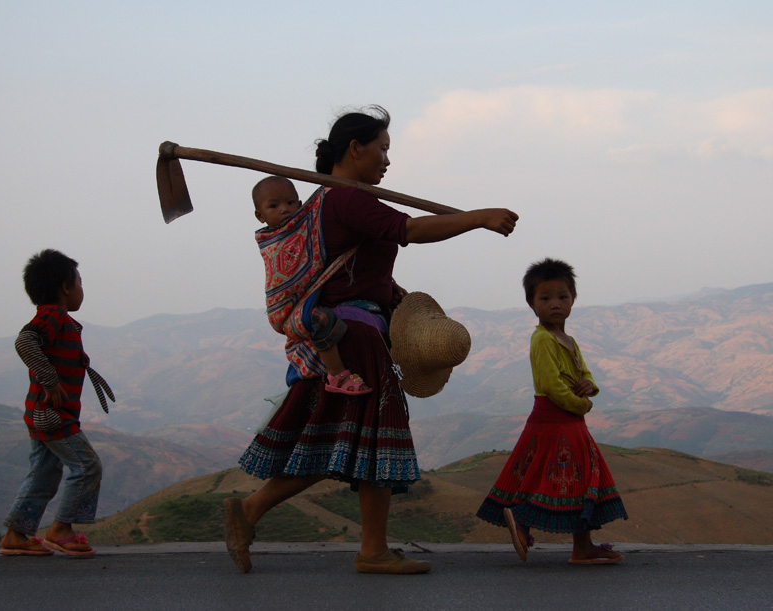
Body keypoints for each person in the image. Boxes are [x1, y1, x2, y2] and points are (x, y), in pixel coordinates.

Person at [225, 105, 518, 574]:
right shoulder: (345, 199)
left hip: (354, 332)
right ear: (354, 149)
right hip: (354, 338)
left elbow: (362, 272)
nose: (386, 160)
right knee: (375, 440)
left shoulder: (332, 199)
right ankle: (371, 550)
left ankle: (256, 511)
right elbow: (409, 230)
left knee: (344, 441)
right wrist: (478, 217)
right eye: (381, 149)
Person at [476, 258, 627, 565]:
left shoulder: (568, 340)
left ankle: (580, 546)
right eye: (545, 298)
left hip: (568, 419)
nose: (555, 304)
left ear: (573, 300)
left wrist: (589, 386)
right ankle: (522, 522)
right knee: (560, 475)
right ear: (532, 303)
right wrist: (582, 404)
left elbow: (583, 373)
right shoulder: (542, 339)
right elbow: (552, 386)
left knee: (562, 476)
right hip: (555, 419)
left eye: (562, 297)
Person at [0, 249, 114, 558]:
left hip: (40, 414)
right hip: (53, 415)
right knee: (87, 466)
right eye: (79, 281)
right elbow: (25, 342)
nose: (81, 288)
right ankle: (61, 530)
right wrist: (50, 380)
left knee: (44, 473)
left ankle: (16, 534)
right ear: (65, 286)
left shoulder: (57, 319)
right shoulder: (52, 317)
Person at [252, 175, 371, 395]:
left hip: (304, 303)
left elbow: (319, 203)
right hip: (285, 312)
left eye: (291, 202)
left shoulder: (307, 225)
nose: (285, 210)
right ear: (260, 216)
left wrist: (329, 190)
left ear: (300, 204)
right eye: (274, 205)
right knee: (321, 319)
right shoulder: (272, 243)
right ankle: (337, 375)